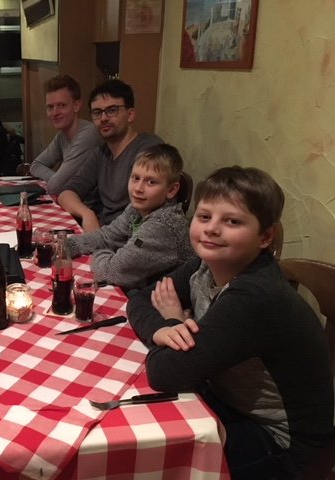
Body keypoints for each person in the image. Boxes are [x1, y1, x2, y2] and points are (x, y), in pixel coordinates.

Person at [127, 166, 334, 479]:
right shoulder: (205, 265)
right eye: (204, 216)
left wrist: (172, 317)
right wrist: (163, 329)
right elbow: (140, 298)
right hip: (225, 399)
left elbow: (164, 372)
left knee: (146, 455)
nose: (212, 229)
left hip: (282, 446)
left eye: (232, 221)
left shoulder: (254, 296)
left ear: (265, 237)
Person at [66, 144, 195, 290]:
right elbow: (107, 236)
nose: (138, 188)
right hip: (144, 290)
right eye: (135, 178)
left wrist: (100, 251)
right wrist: (66, 246)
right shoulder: (138, 208)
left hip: (165, 300)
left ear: (171, 190)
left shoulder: (162, 225)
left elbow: (113, 272)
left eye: (151, 182)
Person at [58, 79, 163, 232]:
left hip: (132, 237)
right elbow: (66, 193)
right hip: (105, 233)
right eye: (97, 112)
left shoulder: (148, 149)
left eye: (112, 110)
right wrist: (87, 214)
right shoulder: (101, 153)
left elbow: (148, 215)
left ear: (130, 114)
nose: (104, 118)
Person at [29, 75, 102, 196]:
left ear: (76, 106)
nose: (55, 113)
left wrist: (58, 181)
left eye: (62, 105)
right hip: (73, 200)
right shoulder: (62, 135)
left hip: (91, 205)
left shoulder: (88, 135)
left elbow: (55, 187)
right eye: (50, 107)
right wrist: (56, 179)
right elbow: (35, 165)